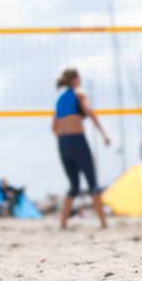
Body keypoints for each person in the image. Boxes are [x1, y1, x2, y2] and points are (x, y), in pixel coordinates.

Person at [52, 68, 110, 230]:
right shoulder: (79, 94)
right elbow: (90, 113)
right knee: (93, 183)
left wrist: (65, 138)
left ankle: (63, 223)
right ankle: (104, 224)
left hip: (63, 143)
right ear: (76, 79)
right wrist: (104, 134)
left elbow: (53, 128)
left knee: (73, 186)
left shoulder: (60, 99)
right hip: (77, 141)